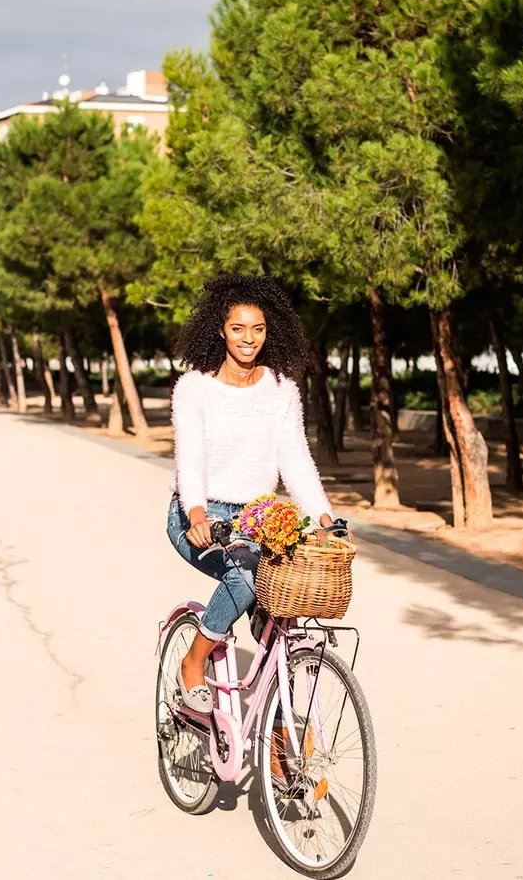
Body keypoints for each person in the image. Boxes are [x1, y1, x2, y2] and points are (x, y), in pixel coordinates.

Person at [167, 274, 337, 715]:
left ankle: (279, 742)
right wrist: (197, 513)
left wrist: (323, 517)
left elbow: (296, 460)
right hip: (199, 516)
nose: (249, 339)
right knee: (245, 578)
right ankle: (194, 658)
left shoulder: (281, 389)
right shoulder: (194, 389)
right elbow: (191, 461)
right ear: (221, 329)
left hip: (257, 519)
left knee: (281, 618)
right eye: (238, 328)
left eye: (258, 329)